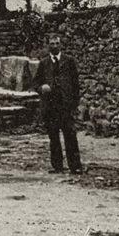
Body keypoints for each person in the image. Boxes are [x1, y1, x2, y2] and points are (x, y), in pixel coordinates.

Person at [33, 35, 84, 174]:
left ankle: (75, 166)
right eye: (52, 43)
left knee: (70, 135)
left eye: (57, 43)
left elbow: (75, 84)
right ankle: (57, 166)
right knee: (53, 137)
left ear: (60, 45)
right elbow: (35, 83)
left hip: (65, 106)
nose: (54, 46)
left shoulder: (69, 61)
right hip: (50, 106)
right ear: (48, 45)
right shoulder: (44, 63)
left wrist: (74, 104)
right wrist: (41, 87)